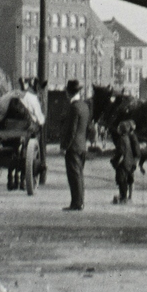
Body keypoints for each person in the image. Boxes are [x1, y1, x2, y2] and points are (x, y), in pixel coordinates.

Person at [60, 78, 92, 211]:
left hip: (73, 147)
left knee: (74, 176)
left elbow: (71, 130)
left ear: (69, 93)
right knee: (79, 175)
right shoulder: (84, 106)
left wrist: (64, 146)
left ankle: (77, 203)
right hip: (82, 146)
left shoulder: (73, 107)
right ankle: (79, 202)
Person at [111, 117, 139, 204]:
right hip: (128, 162)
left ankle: (123, 197)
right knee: (124, 180)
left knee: (121, 180)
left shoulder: (122, 139)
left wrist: (115, 162)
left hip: (123, 163)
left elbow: (121, 153)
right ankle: (124, 196)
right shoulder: (127, 138)